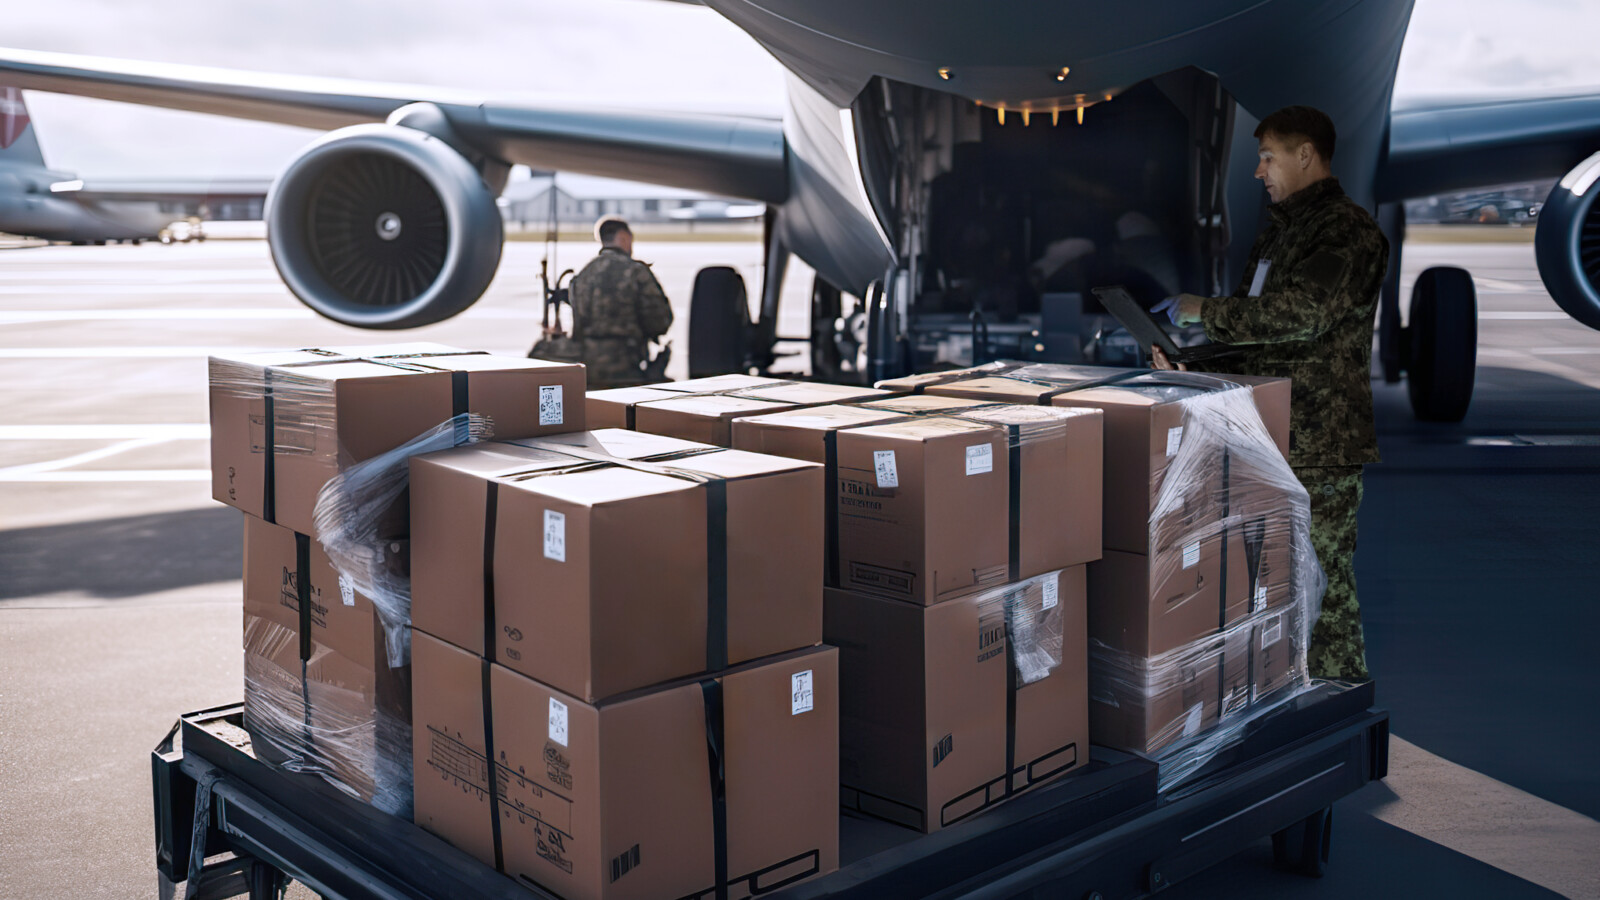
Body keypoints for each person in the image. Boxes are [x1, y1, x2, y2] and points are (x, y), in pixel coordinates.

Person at [1150, 106, 1388, 682]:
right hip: (1271, 433)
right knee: (1272, 578)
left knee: (1323, 580)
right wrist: (1189, 360)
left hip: (1319, 439)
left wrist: (1205, 310)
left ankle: (1338, 697)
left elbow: (1304, 315)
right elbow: (1263, 337)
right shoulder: (1279, 238)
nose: (1258, 171)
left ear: (1305, 155)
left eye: (1267, 157)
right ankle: (1284, 694)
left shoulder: (1346, 232)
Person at [567, 216, 673, 387]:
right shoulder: (636, 272)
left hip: (588, 370)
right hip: (628, 367)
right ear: (624, 237)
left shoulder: (582, 276)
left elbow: (577, 324)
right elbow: (660, 322)